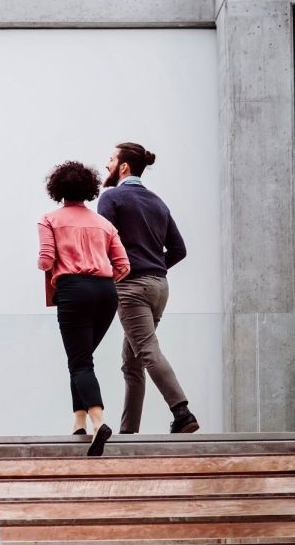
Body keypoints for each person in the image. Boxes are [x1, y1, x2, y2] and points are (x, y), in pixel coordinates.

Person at [97, 143, 198, 434]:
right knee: (132, 362)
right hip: (159, 287)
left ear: (124, 167)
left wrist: (127, 270)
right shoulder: (157, 202)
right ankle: (129, 432)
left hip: (130, 288)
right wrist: (154, 265)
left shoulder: (111, 198)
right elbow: (178, 249)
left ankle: (182, 411)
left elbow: (104, 245)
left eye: (111, 159)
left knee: (147, 350)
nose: (107, 165)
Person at [38, 161, 131, 456]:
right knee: (81, 357)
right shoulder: (105, 224)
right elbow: (124, 266)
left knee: (80, 362)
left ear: (57, 189)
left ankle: (98, 422)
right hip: (106, 292)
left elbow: (45, 259)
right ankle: (78, 423)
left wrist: (55, 268)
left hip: (73, 290)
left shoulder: (49, 220)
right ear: (89, 189)